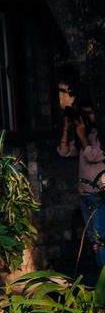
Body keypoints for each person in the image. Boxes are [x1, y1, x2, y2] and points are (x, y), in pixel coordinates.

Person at [57, 70, 105, 269]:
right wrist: (69, 129)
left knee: (100, 236)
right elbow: (65, 152)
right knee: (94, 240)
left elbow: (93, 155)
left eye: (91, 112)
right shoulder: (84, 131)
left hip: (99, 193)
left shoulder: (101, 134)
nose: (88, 117)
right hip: (85, 193)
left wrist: (83, 135)